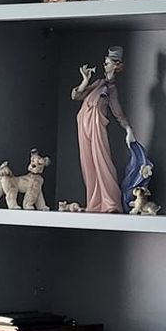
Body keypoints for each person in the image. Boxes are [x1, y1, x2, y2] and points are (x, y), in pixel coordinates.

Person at [69, 47, 134, 214]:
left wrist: (128, 129)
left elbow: (118, 112)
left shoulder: (111, 89)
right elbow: (76, 96)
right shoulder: (99, 83)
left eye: (107, 63)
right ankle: (95, 202)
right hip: (83, 124)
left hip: (96, 125)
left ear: (115, 65)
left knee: (102, 162)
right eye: (105, 63)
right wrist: (85, 80)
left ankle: (110, 202)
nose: (104, 65)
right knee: (88, 163)